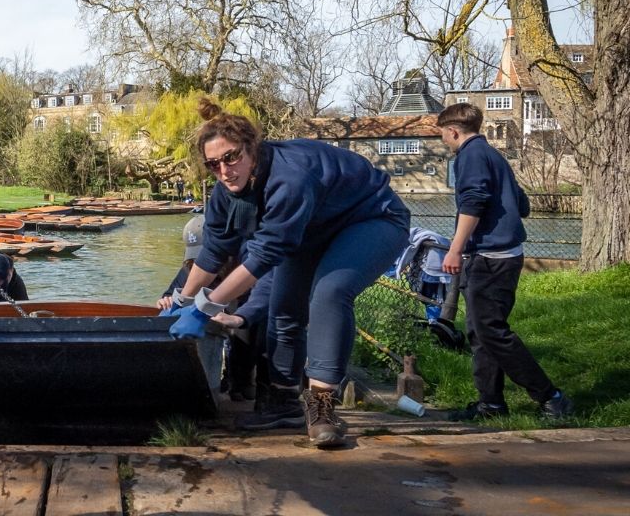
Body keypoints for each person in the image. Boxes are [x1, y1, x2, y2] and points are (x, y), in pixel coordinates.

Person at [169, 97, 410, 448]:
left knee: (329, 293)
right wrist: (182, 300)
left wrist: (204, 308)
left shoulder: (290, 178)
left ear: (252, 148)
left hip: (371, 220)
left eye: (231, 157)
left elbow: (263, 257)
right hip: (312, 230)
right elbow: (214, 251)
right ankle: (284, 405)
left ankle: (323, 408)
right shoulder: (224, 193)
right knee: (284, 310)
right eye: (213, 164)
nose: (224, 170)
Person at [436, 103, 574, 422]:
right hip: (503, 255)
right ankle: (492, 404)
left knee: (492, 331)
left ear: (453, 131)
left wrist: (455, 249)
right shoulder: (493, 155)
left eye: (442, 133)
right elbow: (522, 204)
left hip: (491, 259)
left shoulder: (470, 156)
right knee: (480, 332)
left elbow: (473, 202)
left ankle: (551, 397)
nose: (442, 139)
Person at [157, 216, 266, 404]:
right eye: (195, 259)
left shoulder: (248, 260)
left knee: (249, 333)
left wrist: (235, 317)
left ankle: (248, 381)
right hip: (215, 321)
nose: (199, 263)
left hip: (247, 312)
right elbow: (174, 293)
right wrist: (166, 300)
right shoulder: (191, 268)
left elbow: (262, 300)